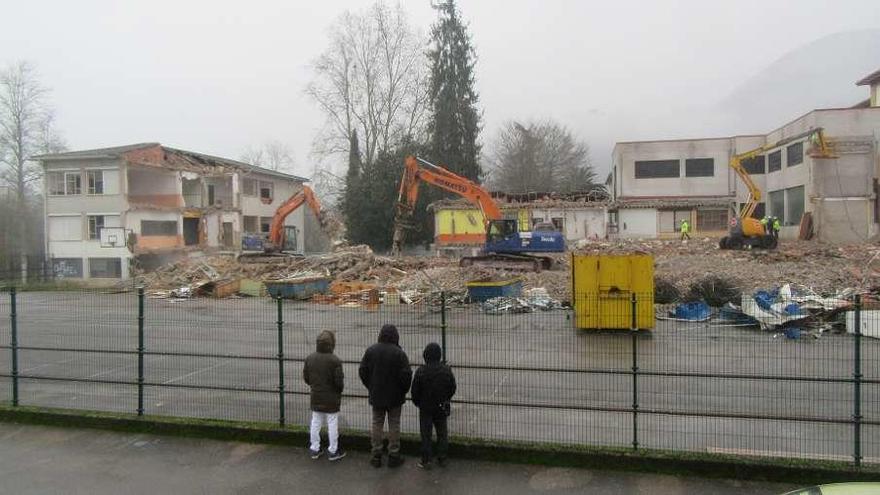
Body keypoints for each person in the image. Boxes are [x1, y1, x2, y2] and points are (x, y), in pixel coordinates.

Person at [359, 324, 412, 468]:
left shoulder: (371, 351)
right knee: (394, 424)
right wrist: (402, 391)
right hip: (395, 396)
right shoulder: (399, 353)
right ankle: (393, 454)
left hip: (377, 394)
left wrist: (370, 386)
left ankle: (376, 454)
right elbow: (407, 376)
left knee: (377, 423)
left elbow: (363, 370)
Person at [411, 342, 456, 470]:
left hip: (425, 407)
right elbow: (452, 387)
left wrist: (418, 403)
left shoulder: (421, 371)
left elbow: (415, 391)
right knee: (442, 432)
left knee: (426, 434)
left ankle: (426, 460)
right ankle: (442, 457)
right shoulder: (446, 370)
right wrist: (446, 398)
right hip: (441, 405)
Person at [302, 330, 346, 461]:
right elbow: (339, 383)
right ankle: (333, 450)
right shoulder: (335, 361)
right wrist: (338, 391)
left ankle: (314, 448)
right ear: (332, 344)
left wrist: (315, 386)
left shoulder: (310, 358)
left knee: (315, 422)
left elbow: (307, 378)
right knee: (332, 423)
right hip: (332, 398)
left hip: (316, 395)